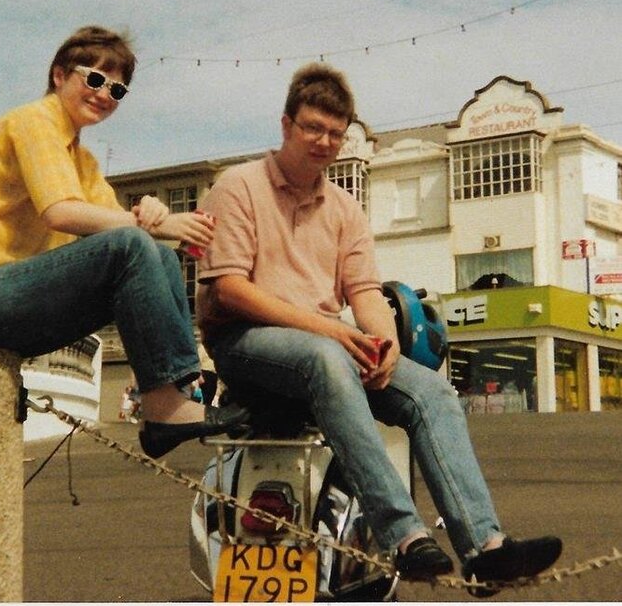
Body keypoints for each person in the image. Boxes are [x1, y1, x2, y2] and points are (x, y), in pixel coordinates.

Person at [196, 62, 562, 594]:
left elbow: (364, 291)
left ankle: (485, 548)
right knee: (324, 358)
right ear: (285, 125)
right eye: (312, 129)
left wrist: (382, 342)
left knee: (431, 390)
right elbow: (229, 289)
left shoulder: (345, 207)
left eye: (335, 134)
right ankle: (404, 535)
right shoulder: (238, 186)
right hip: (245, 342)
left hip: (324, 347)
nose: (323, 142)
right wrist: (330, 332)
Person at [0, 25, 248, 459]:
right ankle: (161, 408)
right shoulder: (34, 121)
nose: (104, 94)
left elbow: (128, 233)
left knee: (156, 255)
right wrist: (151, 225)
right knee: (138, 246)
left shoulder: (82, 160)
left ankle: (179, 395)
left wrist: (153, 218)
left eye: (117, 89)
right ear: (60, 75)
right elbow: (61, 213)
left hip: (15, 297)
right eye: (95, 79)